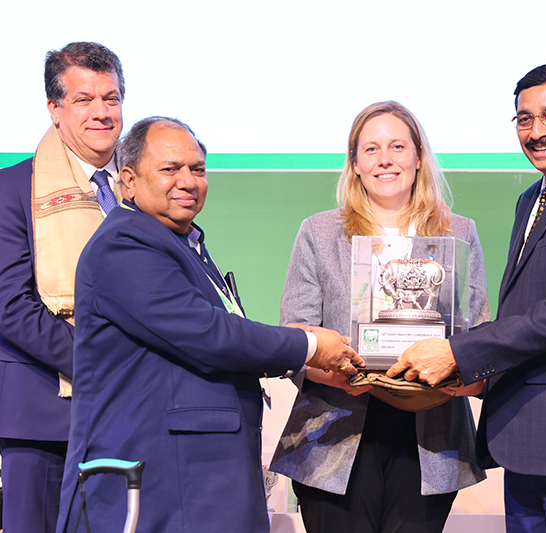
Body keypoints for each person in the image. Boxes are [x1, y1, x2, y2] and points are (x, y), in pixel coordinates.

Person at [55, 117, 362, 533]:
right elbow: (209, 334)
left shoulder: (184, 242)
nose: (187, 181)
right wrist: (308, 345)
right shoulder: (124, 243)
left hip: (202, 479)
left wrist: (308, 361)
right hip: (161, 482)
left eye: (197, 169)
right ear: (128, 180)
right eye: (170, 169)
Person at [389, 64, 546, 532]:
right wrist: (469, 368)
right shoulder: (533, 197)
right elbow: (522, 312)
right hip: (528, 439)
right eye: (524, 119)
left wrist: (457, 352)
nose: (537, 132)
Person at [269, 101, 490, 533]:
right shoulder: (319, 232)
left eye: (397, 147)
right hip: (335, 430)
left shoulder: (459, 232)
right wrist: (341, 374)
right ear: (354, 163)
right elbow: (295, 335)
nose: (385, 159)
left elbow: (477, 333)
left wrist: (457, 373)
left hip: (432, 434)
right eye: (371, 149)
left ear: (418, 157)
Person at [0, 41, 125, 533]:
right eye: (84, 99)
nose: (101, 113)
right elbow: (10, 306)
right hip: (45, 418)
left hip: (136, 414)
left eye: (111, 98)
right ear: (54, 109)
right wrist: (104, 364)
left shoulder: (146, 186)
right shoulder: (13, 189)